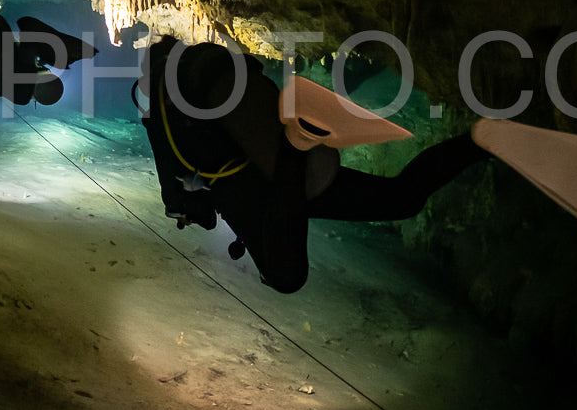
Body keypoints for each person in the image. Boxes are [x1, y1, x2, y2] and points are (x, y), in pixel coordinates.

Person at [136, 36, 487, 294]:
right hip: (281, 177)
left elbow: (183, 194)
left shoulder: (161, 103)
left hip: (267, 181)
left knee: (286, 275)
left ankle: (299, 138)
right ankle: (478, 142)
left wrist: (190, 203)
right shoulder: (179, 91)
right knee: (401, 199)